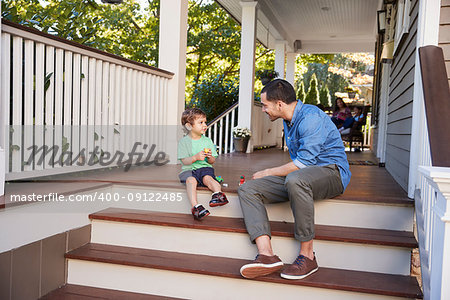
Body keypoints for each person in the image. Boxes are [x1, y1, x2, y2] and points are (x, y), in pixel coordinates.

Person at [238, 79, 351, 280]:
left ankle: (308, 256)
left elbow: (304, 163)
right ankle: (267, 255)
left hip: (331, 173)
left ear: (279, 104)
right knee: (248, 189)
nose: (263, 109)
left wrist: (268, 172)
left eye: (265, 105)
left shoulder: (310, 118)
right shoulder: (288, 119)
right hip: (301, 178)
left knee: (295, 179)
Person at [178, 108, 229, 220]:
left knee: (209, 179)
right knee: (191, 181)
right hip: (189, 170)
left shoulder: (207, 141)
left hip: (204, 168)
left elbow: (212, 161)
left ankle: (218, 194)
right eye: (201, 122)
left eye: (205, 122)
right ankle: (196, 207)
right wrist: (195, 157)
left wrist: (210, 157)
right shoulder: (184, 142)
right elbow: (184, 161)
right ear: (189, 126)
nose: (205, 125)